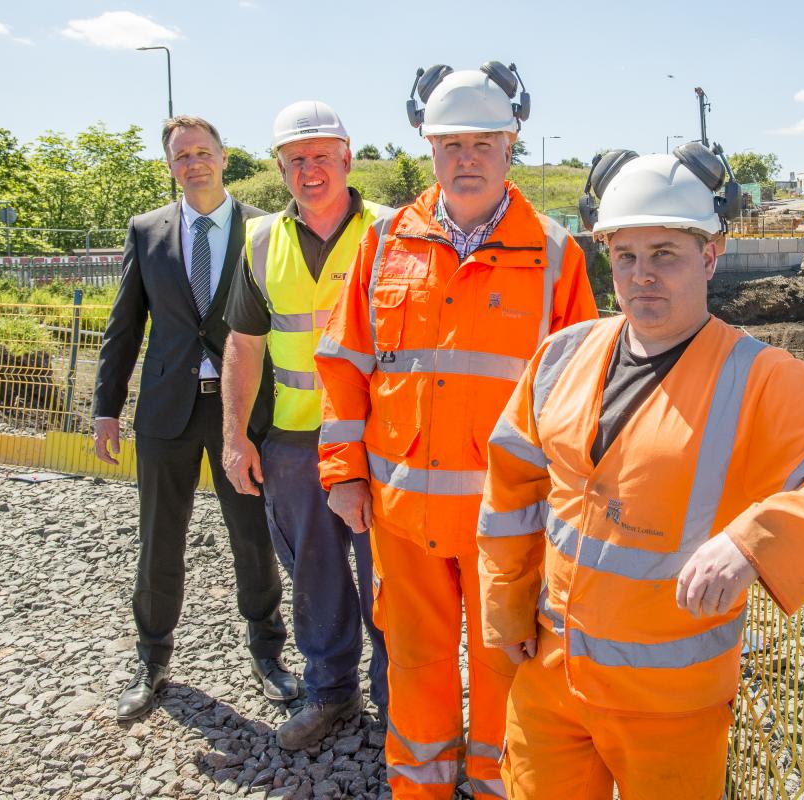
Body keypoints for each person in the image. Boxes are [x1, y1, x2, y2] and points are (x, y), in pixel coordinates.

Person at [477, 146, 804, 799]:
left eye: (665, 255)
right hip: (551, 680)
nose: (642, 275)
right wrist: (506, 604)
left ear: (710, 257)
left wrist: (755, 540)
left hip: (670, 702)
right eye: (626, 256)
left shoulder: (759, 378)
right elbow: (512, 490)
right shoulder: (562, 356)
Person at [314, 62, 598, 798]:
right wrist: (344, 474)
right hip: (402, 515)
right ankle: (421, 789)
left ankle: (498, 786)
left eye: (483, 142)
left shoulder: (557, 253)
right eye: (451, 144)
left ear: (511, 146)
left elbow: (582, 392)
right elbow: (343, 364)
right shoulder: (384, 244)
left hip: (510, 520)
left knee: (508, 664)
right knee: (415, 665)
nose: (466, 158)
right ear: (427, 148)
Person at [93, 115, 292, 722]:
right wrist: (107, 405)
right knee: (158, 539)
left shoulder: (266, 228)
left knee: (253, 537)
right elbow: (125, 324)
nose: (194, 163)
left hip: (244, 411)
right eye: (182, 156)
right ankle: (151, 658)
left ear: (225, 157)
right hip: (166, 411)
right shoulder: (147, 231)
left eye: (203, 152)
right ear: (171, 165)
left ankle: (268, 655)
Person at [221, 101, 389, 751]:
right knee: (314, 577)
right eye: (296, 159)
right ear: (280, 168)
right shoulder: (261, 242)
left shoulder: (392, 230)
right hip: (293, 443)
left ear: (347, 158)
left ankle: (401, 703)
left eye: (322, 156)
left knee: (389, 579)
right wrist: (236, 437)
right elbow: (244, 344)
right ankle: (332, 694)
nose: (309, 169)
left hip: (378, 440)